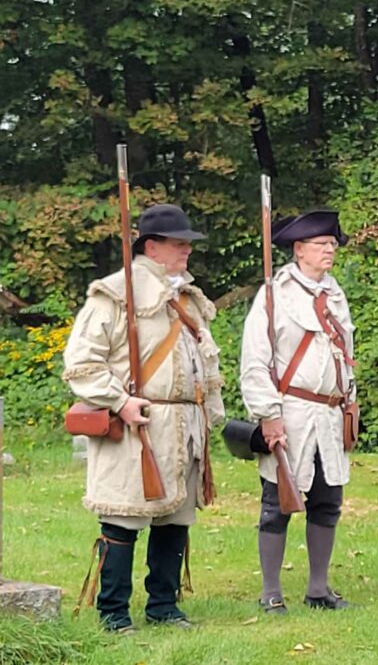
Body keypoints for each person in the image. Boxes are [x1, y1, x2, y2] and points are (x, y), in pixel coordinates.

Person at [63, 204, 224, 632]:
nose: (187, 250)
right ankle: (113, 612)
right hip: (138, 425)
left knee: (175, 519)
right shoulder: (115, 295)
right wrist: (119, 401)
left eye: (188, 243)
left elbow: (205, 366)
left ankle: (164, 606)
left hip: (183, 427)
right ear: (152, 247)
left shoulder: (186, 298)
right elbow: (82, 363)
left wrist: (209, 414)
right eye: (178, 243)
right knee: (124, 517)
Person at [240, 210, 356, 614]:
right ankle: (271, 591)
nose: (330, 250)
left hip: (329, 413)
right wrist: (268, 414)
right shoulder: (274, 295)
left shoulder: (335, 295)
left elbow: (345, 355)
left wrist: (349, 401)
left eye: (332, 244)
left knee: (327, 501)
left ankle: (318, 588)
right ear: (299, 249)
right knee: (277, 503)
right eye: (322, 244)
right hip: (291, 411)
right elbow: (256, 360)